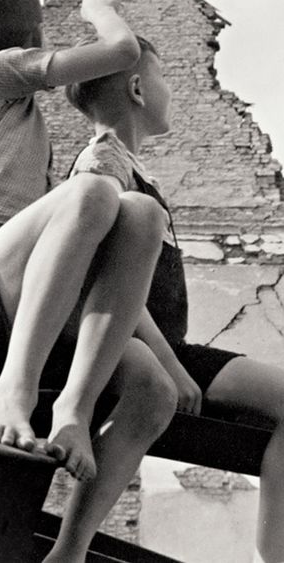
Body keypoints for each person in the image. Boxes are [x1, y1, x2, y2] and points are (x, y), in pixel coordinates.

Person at [0, 0, 175, 494]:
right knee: (94, 192)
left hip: (9, 292)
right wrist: (98, 10)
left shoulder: (19, 131)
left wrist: (167, 356)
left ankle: (72, 425)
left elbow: (106, 275)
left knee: (154, 386)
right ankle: (14, 391)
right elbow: (123, 52)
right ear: (34, 41)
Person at [65, 37, 284, 563]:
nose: (172, 92)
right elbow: (104, 281)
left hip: (169, 347)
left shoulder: (130, 168)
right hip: (153, 350)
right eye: (164, 79)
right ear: (137, 88)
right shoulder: (103, 164)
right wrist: (168, 364)